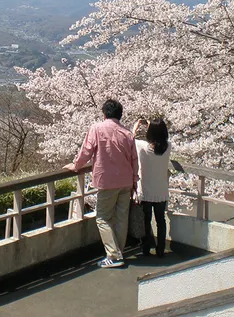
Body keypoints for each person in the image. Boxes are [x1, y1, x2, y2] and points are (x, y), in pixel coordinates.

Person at [64, 99, 139, 268]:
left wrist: (76, 166)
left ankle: (113, 256)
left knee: (103, 218)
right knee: (121, 218)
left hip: (107, 181)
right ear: (120, 115)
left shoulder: (97, 129)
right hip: (126, 180)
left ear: (104, 113)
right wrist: (135, 181)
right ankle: (118, 252)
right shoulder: (128, 133)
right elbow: (135, 160)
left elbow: (86, 151)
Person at [132, 117, 171, 257]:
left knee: (146, 221)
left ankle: (146, 249)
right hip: (161, 190)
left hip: (146, 190)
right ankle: (161, 249)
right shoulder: (168, 147)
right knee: (161, 221)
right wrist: (153, 125)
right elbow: (162, 139)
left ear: (150, 133)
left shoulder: (143, 146)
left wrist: (137, 126)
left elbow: (130, 139)